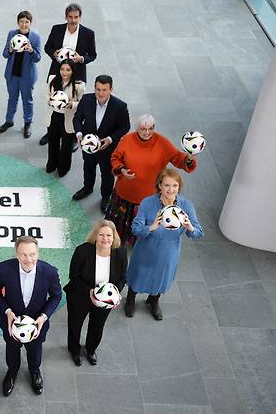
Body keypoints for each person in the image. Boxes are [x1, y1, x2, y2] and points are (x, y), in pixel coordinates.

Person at [105, 114, 197, 246]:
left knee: (144, 228)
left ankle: (138, 243)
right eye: (143, 129)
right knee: (117, 228)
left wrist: (189, 157)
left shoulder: (163, 143)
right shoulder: (126, 140)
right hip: (124, 195)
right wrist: (122, 170)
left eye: (151, 128)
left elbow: (179, 159)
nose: (147, 132)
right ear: (137, 128)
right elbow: (115, 158)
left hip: (148, 198)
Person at [0, 236, 62, 397]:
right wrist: (7, 311)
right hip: (11, 322)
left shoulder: (50, 272)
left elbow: (56, 296)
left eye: (32, 254)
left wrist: (44, 317)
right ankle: (12, 372)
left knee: (35, 350)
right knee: (12, 349)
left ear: (38, 253)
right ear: (16, 254)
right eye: (24, 255)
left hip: (37, 323)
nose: (29, 259)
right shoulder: (4, 269)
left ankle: (35, 372)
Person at [125, 169, 203, 320]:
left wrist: (189, 227)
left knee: (160, 277)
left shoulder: (186, 206)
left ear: (179, 187)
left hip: (169, 251)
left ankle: (153, 301)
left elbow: (199, 232)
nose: (171, 189)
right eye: (167, 185)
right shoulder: (148, 203)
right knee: (138, 275)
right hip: (146, 249)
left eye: (175, 185)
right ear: (159, 185)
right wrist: (152, 226)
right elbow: (135, 229)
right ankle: (130, 299)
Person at [63, 220, 127, 367]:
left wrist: (115, 294)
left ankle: (91, 350)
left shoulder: (121, 253)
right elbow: (74, 276)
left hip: (105, 300)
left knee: (97, 326)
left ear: (114, 236)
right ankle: (74, 350)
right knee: (75, 324)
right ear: (95, 236)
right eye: (101, 235)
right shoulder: (82, 251)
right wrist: (91, 292)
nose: (105, 239)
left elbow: (123, 277)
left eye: (109, 235)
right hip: (80, 296)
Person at [40, 3, 97, 148]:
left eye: (76, 17)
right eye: (70, 17)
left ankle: (72, 136)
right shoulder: (57, 29)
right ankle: (50, 132)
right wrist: (54, 53)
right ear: (66, 16)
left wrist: (81, 59)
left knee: (75, 105)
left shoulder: (88, 33)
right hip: (58, 72)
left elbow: (93, 55)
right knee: (54, 100)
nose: (73, 20)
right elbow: (47, 47)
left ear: (80, 17)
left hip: (77, 74)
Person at [72, 75, 130, 213]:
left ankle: (105, 197)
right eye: (98, 89)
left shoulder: (120, 106)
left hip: (107, 148)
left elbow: (125, 127)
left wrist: (110, 139)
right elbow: (77, 119)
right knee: (88, 167)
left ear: (111, 89)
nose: (100, 93)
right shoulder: (86, 100)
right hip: (88, 146)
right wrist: (79, 134)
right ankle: (87, 188)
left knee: (107, 173)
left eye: (104, 90)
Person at [0, 10, 41, 139]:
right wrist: (10, 50)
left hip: (27, 76)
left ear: (30, 23)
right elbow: (5, 54)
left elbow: (37, 58)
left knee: (27, 100)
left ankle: (27, 123)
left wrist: (31, 50)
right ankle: (9, 121)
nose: (23, 24)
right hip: (12, 74)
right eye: (21, 22)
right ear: (18, 22)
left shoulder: (35, 37)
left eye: (26, 22)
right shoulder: (12, 34)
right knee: (12, 98)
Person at [45, 59, 85, 177]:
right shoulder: (53, 79)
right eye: (62, 69)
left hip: (68, 117)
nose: (64, 72)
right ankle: (51, 164)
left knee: (66, 145)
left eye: (68, 70)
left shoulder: (79, 86)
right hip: (54, 115)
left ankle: (63, 168)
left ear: (72, 71)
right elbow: (47, 95)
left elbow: (83, 104)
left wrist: (72, 104)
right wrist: (51, 100)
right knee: (53, 141)